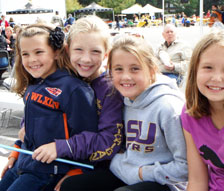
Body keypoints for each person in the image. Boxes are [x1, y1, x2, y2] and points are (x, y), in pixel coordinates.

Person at [0, 23, 98, 191]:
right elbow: (29, 129)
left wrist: (78, 170)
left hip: (48, 171)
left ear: (56, 52)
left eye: (39, 52)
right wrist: (16, 151)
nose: (32, 60)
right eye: (25, 54)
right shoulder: (33, 83)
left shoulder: (74, 89)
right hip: (23, 162)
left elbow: (88, 135)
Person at [37, 15, 123, 191]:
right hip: (60, 160)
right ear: (67, 50)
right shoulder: (61, 80)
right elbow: (40, 109)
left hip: (95, 165)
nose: (86, 59)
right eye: (79, 50)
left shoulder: (110, 90)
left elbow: (108, 143)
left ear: (106, 54)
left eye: (95, 51)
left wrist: (64, 149)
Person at [105, 35, 188, 191]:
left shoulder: (169, 107)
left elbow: (186, 167)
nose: (126, 77)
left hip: (166, 183)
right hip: (130, 172)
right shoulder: (121, 99)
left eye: (135, 69)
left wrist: (142, 173)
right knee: (76, 185)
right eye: (118, 69)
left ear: (151, 70)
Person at [181, 29, 224, 190]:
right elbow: (198, 181)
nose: (216, 78)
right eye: (208, 67)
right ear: (195, 71)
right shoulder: (190, 113)